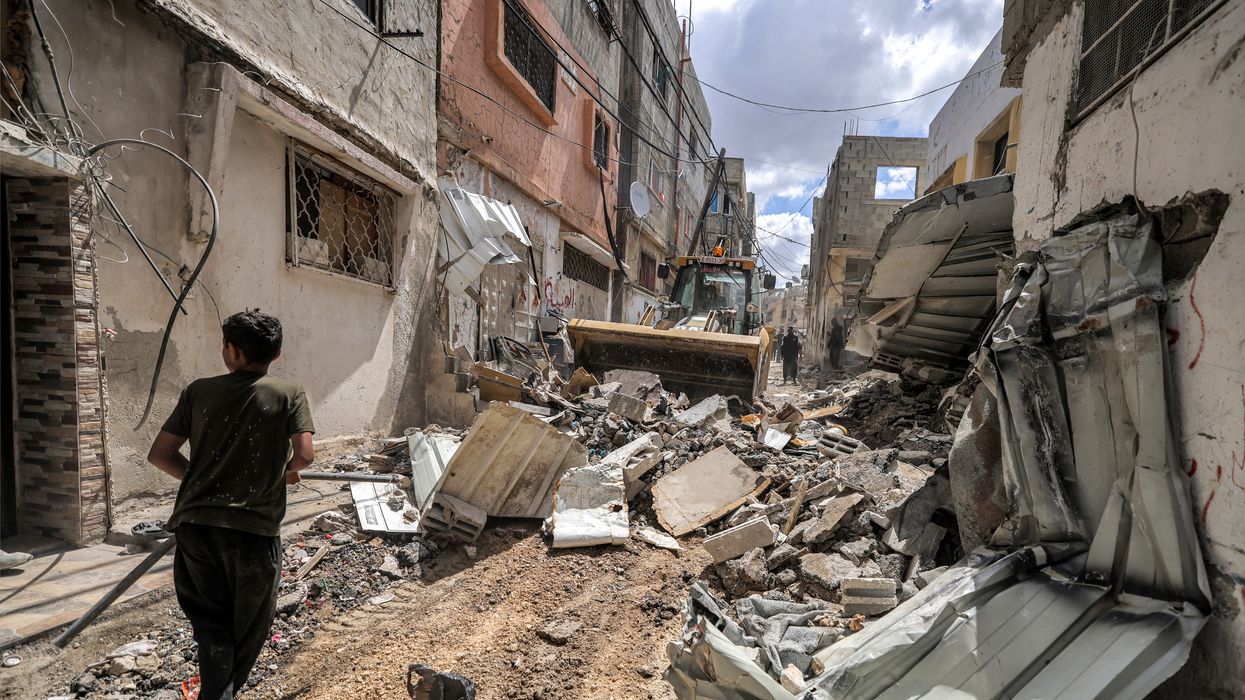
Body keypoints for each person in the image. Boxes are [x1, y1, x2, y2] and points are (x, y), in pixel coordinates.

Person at [147, 310, 315, 700]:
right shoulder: (288, 392)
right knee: (250, 625)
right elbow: (305, 456)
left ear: (233, 351)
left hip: (196, 526)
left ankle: (215, 693)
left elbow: (160, 455)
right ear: (276, 352)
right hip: (254, 531)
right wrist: (284, 472)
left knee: (212, 627)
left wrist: (201, 479)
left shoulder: (198, 391)